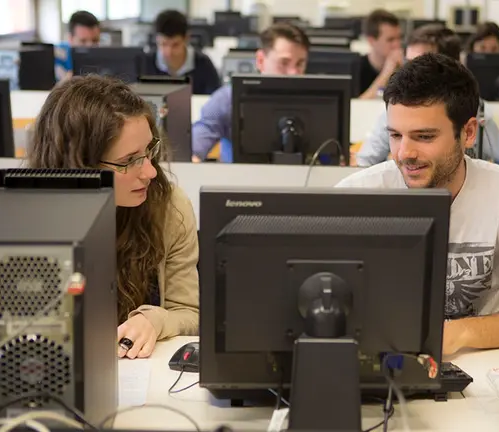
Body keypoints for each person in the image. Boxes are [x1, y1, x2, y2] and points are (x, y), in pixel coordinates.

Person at [336, 53, 499, 355]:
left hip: (475, 362)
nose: (405, 153)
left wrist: (460, 332)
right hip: (380, 360)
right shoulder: (356, 195)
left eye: (424, 137)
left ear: (468, 133)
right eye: (395, 135)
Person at [27, 75, 199, 359]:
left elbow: (189, 312)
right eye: (128, 161)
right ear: (80, 165)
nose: (150, 171)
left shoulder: (170, 208)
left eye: (149, 151)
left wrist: (155, 320)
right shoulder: (26, 221)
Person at [355, 25, 499, 169]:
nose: (410, 73)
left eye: (421, 65)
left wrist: (480, 180)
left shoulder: (478, 113)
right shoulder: (396, 110)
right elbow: (364, 163)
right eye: (408, 63)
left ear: (450, 67)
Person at [191, 23, 310, 163]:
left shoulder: (318, 99)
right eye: (284, 63)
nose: (294, 73)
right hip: (238, 176)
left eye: (300, 64)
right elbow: (197, 143)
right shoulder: (229, 98)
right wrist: (193, 158)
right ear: (261, 60)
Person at [142, 9, 221, 96]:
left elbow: (216, 99)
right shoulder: (145, 63)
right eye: (163, 44)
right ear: (156, 39)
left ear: (186, 39)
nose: (169, 52)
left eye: (175, 45)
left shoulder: (203, 64)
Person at [357, 9, 403, 99]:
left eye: (399, 38)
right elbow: (357, 104)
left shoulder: (403, 67)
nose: (397, 44)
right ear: (371, 41)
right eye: (390, 40)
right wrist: (387, 71)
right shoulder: (357, 68)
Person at [55, 11, 101, 81]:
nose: (90, 46)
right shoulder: (56, 55)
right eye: (83, 41)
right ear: (70, 39)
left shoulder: (104, 56)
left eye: (95, 40)